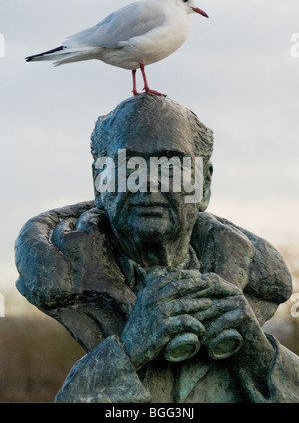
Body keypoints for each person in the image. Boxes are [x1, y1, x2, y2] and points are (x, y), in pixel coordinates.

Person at [15, 95, 299, 403]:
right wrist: (130, 350)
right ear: (100, 183)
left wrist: (258, 355)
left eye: (172, 167)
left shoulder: (249, 284)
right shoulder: (64, 281)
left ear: (203, 185)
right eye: (129, 166)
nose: (149, 182)